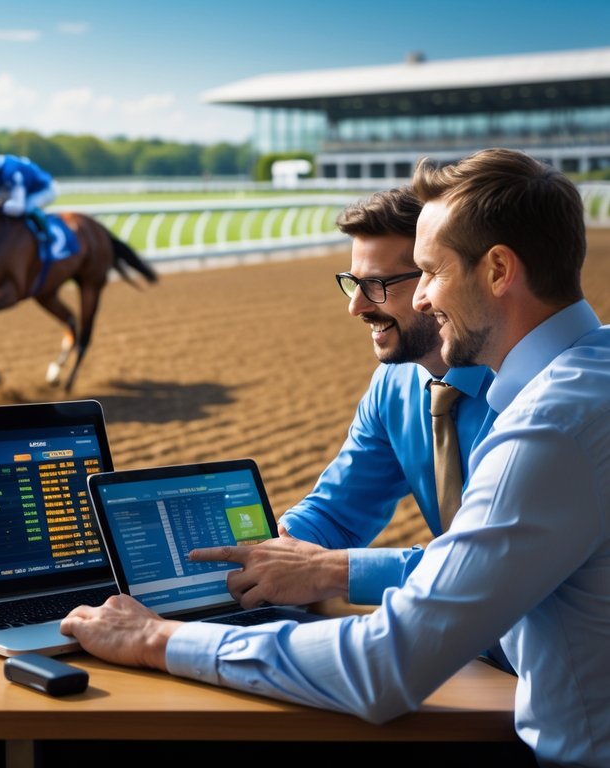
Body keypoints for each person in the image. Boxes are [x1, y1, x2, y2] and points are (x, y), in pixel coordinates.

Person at [61, 148, 610, 767]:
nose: (423, 298)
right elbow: (340, 515)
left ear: (499, 270)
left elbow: (386, 664)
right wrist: (234, 574)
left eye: (427, 273)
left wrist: (156, 637)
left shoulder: (546, 428)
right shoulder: (583, 381)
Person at [220, 186, 497, 612]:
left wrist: (330, 570)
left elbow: (490, 564)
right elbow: (337, 514)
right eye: (353, 283)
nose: (357, 307)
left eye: (378, 285)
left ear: (438, 276)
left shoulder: (529, 390)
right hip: (467, 636)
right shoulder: (393, 384)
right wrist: (265, 555)